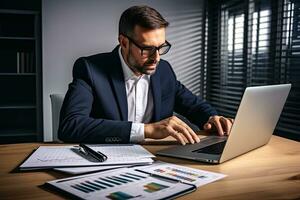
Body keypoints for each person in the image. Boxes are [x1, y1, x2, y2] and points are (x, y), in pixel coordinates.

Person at [58, 5, 234, 145]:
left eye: (161, 47)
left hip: (155, 161)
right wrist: (146, 130)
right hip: (105, 162)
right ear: (124, 42)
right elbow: (71, 126)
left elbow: (193, 105)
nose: (156, 58)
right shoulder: (90, 69)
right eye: (147, 49)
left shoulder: (164, 71)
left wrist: (212, 118)